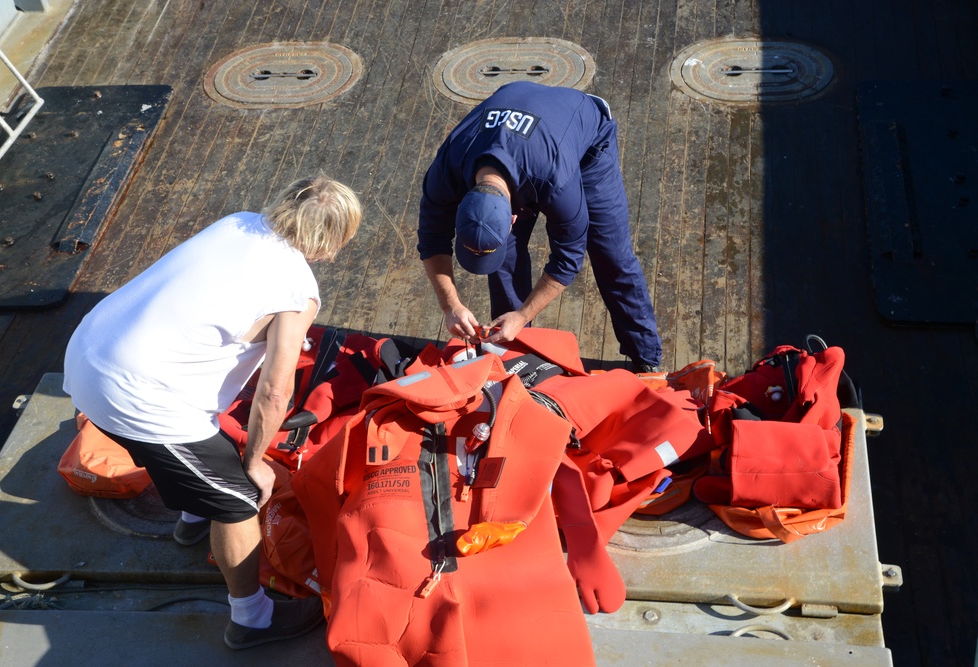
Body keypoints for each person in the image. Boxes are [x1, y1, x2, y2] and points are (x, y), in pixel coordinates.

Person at [63, 174, 361, 649]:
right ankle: (251, 619)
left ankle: (191, 520)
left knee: (201, 455)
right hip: (133, 395)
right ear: (333, 242)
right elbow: (273, 393)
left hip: (86, 352)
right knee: (238, 499)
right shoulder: (296, 293)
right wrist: (255, 464)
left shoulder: (239, 223)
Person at [417, 80, 662, 373]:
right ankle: (515, 348)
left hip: (585, 139)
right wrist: (450, 306)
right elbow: (431, 240)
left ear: (513, 218)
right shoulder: (446, 170)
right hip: (521, 127)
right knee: (504, 257)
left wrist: (523, 313)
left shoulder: (556, 185)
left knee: (610, 255)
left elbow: (567, 259)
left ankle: (647, 357)